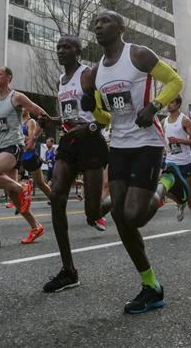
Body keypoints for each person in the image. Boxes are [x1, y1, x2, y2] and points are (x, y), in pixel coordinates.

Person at [82, 11, 184, 314]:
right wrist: (92, 108)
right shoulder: (95, 71)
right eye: (96, 23)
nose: (99, 26)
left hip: (148, 144)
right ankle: (151, 286)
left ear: (121, 27)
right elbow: (107, 116)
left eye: (106, 21)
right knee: (121, 219)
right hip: (120, 146)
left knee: (136, 217)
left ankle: (169, 181)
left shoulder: (138, 55)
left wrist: (154, 105)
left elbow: (175, 81)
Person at [43, 35, 112, 293]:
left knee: (92, 214)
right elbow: (69, 114)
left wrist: (89, 127)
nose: (61, 51)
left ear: (78, 52)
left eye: (67, 47)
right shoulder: (60, 81)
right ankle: (68, 271)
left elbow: (107, 115)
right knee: (57, 195)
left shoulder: (88, 75)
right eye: (58, 47)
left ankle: (118, 196)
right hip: (69, 143)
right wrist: (54, 119)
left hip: (92, 141)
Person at [0, 65, 49, 245]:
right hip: (2, 147)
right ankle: (36, 226)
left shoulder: (16, 97)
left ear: (8, 78)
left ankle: (24, 188)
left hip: (15, 147)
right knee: (12, 194)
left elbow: (42, 114)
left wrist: (34, 139)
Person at [160, 96, 191, 234]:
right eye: (168, 102)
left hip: (185, 162)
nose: (168, 105)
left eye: (171, 102)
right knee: (163, 190)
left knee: (188, 196)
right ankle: (179, 202)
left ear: (178, 104)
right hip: (171, 162)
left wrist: (178, 140)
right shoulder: (163, 121)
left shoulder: (184, 120)